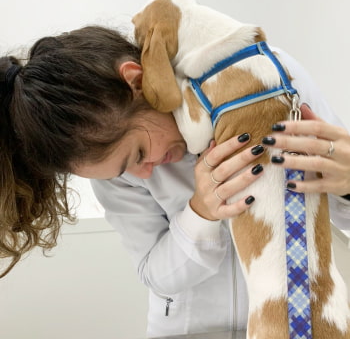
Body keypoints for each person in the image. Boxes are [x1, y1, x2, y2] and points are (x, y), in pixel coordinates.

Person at [1, 26, 350, 337]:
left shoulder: (268, 78)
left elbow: (335, 214)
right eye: (121, 173)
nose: (143, 174)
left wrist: (347, 182)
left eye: (137, 154)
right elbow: (156, 274)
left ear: (136, 82)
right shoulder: (120, 174)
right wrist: (201, 213)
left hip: (299, 324)